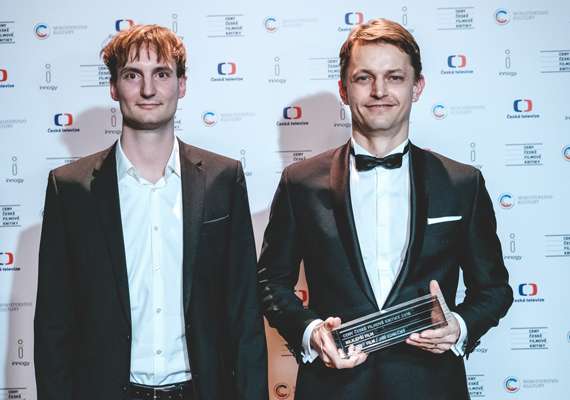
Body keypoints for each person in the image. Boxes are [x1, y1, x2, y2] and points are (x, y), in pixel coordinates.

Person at [257, 18, 512, 399]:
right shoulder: (300, 183)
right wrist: (311, 333)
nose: (379, 91)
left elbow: (493, 290)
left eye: (394, 77)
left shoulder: (462, 183)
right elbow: (271, 283)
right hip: (333, 388)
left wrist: (459, 326)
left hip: (430, 387)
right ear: (344, 89)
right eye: (364, 78)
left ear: (417, 86)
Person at [34, 24, 267, 400]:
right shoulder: (70, 189)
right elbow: (53, 325)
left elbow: (245, 314)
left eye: (161, 74)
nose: (147, 89)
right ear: (113, 87)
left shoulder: (223, 179)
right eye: (132, 75)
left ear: (182, 84)